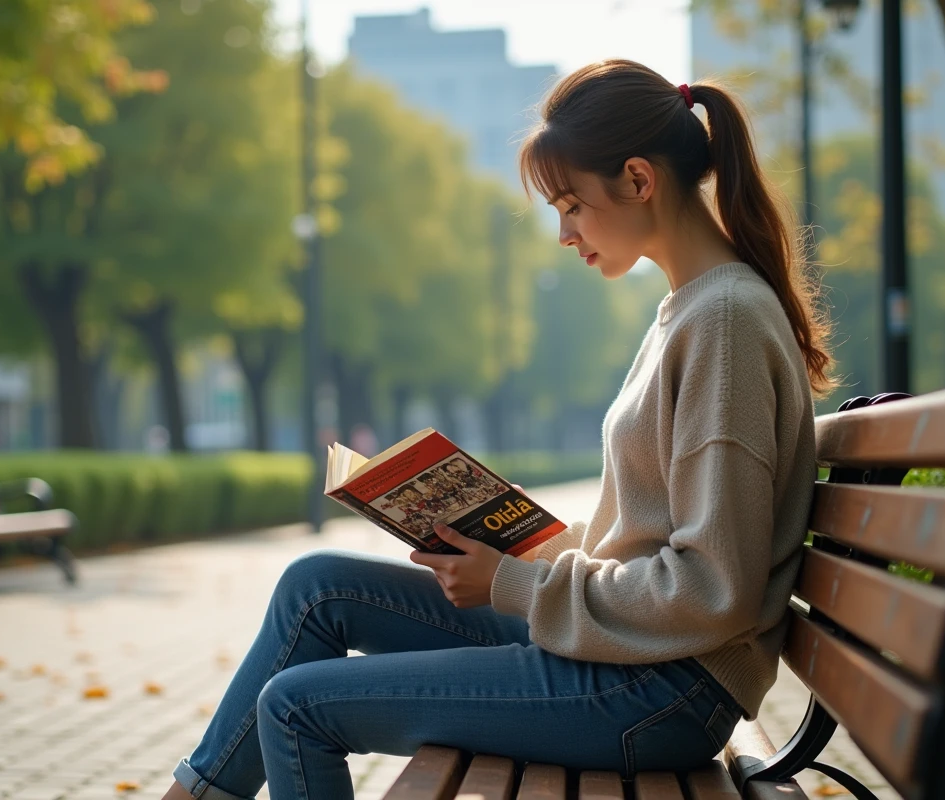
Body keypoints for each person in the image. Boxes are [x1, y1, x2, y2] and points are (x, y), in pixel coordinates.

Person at [158, 59, 835, 800]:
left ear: (639, 180)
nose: (563, 234)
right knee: (315, 587)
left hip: (662, 691)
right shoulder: (692, 310)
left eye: (571, 205)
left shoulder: (724, 324)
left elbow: (713, 589)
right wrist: (527, 539)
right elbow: (651, 536)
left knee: (294, 708)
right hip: (633, 660)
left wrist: (513, 582)